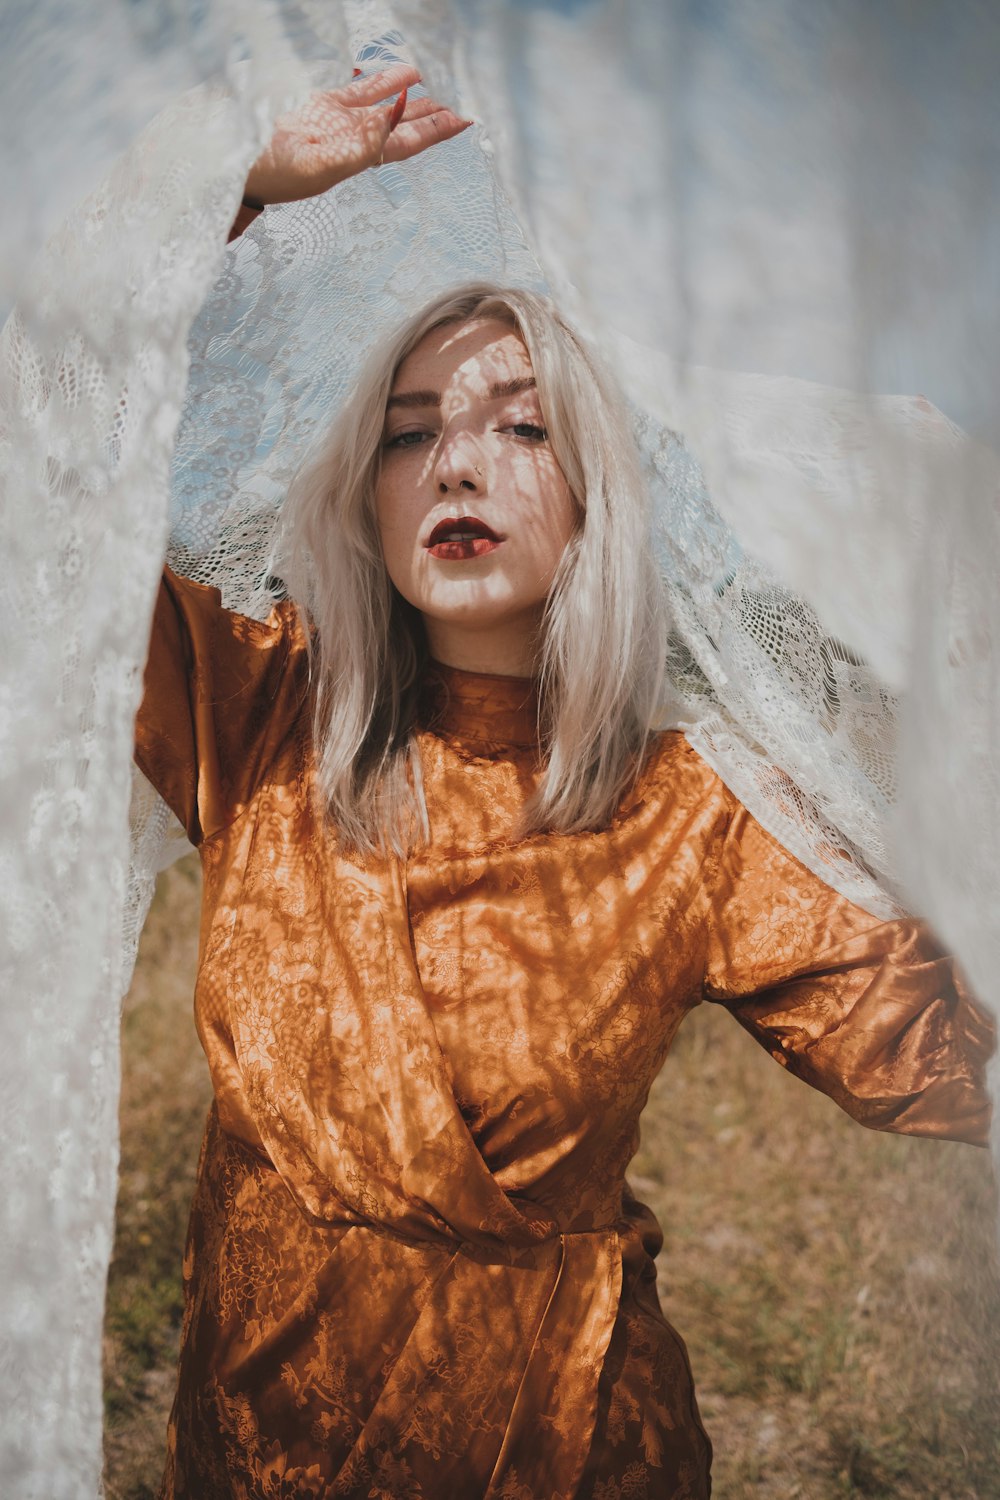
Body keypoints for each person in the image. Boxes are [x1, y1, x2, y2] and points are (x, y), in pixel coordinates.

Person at [134, 65, 995, 1500]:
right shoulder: (255, 699)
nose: (456, 459)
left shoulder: (687, 807)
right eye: (409, 431)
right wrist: (222, 194)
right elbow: (40, 457)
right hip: (250, 1437)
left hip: (561, 1441)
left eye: (523, 428)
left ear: (598, 494)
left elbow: (936, 1054)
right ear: (363, 488)